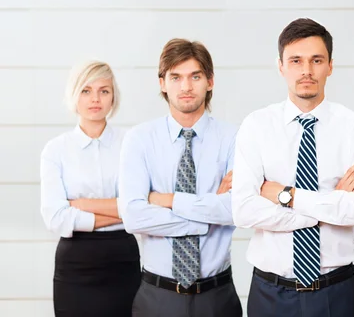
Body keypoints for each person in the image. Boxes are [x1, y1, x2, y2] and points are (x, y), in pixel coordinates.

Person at [232, 17, 354, 317]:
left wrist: (286, 195)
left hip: (336, 291)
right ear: (281, 66)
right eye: (296, 60)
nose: (307, 70)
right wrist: (330, 205)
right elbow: (244, 210)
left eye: (316, 60)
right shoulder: (256, 126)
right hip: (270, 293)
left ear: (330, 66)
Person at [119, 39, 242, 317]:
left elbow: (237, 209)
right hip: (157, 296)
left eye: (195, 76)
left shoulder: (235, 138)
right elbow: (133, 216)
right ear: (162, 83)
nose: (186, 87)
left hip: (217, 296)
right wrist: (207, 216)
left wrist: (165, 200)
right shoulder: (139, 139)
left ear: (210, 81)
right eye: (176, 77)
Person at [40, 61, 140, 317]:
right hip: (75, 263)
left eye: (104, 91)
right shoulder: (56, 150)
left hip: (122, 259)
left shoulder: (131, 144)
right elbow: (55, 217)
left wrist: (80, 205)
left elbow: (141, 207)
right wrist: (121, 212)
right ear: (74, 95)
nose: (95, 98)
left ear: (113, 96)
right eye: (86, 90)